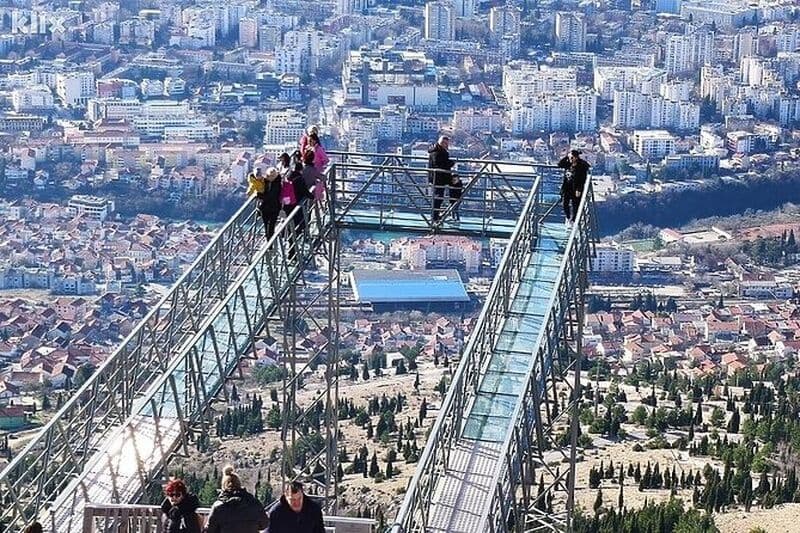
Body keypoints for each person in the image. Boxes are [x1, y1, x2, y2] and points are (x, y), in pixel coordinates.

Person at [204, 465, 269, 533]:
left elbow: (210, 530)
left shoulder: (218, 507)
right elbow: (264, 524)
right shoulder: (254, 503)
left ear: (224, 486)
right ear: (239, 484)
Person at [557, 149, 590, 227]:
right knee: (565, 203)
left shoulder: (581, 166)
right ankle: (568, 218)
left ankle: (574, 220)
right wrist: (567, 156)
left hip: (575, 189)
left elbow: (582, 179)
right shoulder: (568, 163)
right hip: (566, 187)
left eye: (572, 158)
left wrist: (579, 189)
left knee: (575, 205)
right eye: (570, 157)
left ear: (576, 157)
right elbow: (559, 164)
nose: (571, 159)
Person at [428, 135, 455, 222]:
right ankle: (435, 217)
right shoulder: (437, 152)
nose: (447, 145)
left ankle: (437, 215)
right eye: (446, 143)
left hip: (440, 176)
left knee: (440, 196)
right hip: (439, 177)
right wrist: (451, 163)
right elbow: (439, 164)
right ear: (442, 143)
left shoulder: (437, 150)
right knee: (438, 197)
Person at [260, 167, 282, 238]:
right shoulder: (265, 182)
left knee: (271, 226)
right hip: (266, 208)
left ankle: (270, 243)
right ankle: (269, 241)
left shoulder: (277, 184)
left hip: (273, 207)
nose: (269, 177)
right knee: (267, 225)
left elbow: (271, 196)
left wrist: (260, 196)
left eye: (271, 176)